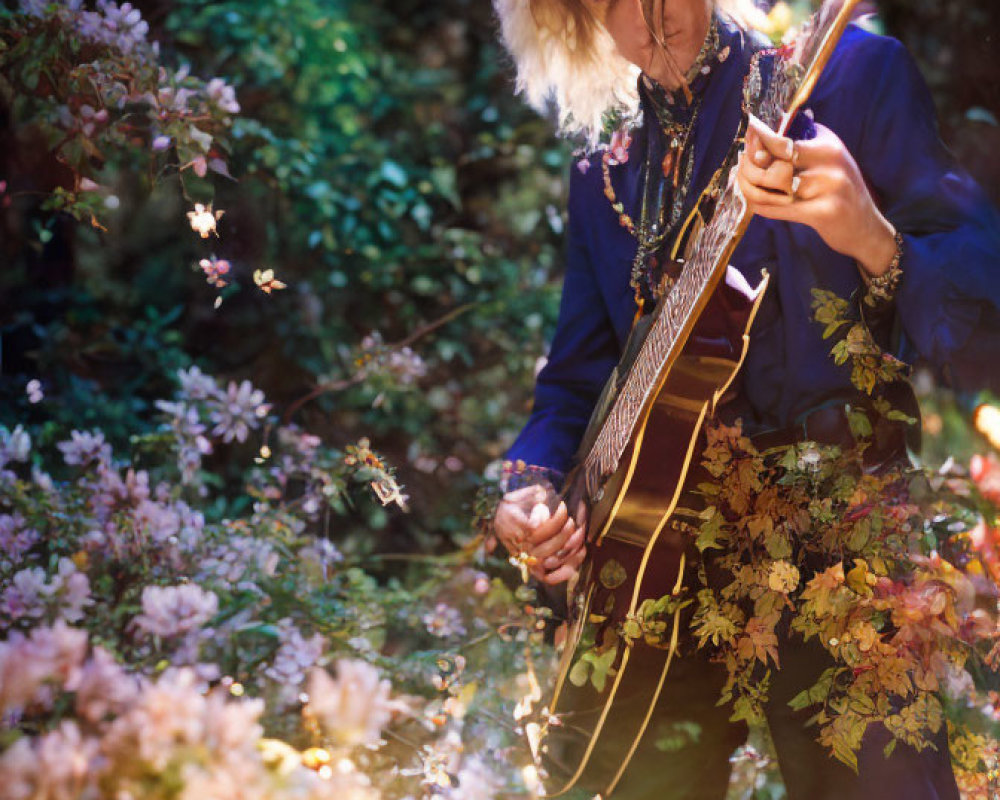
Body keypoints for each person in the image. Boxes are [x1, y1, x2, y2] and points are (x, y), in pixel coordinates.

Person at [488, 0, 1000, 798]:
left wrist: (873, 237)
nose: (653, 15)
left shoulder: (847, 80)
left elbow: (985, 320)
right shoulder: (602, 173)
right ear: (569, 18)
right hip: (661, 568)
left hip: (845, 542)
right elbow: (574, 383)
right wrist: (530, 485)